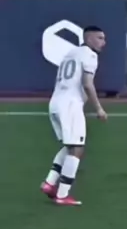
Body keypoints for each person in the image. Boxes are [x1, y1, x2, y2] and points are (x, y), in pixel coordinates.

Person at [41, 26, 107, 206]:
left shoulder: (71, 53)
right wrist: (98, 108)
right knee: (77, 148)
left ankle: (49, 182)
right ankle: (62, 195)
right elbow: (87, 84)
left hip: (55, 103)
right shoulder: (90, 55)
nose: (103, 42)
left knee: (70, 145)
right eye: (100, 38)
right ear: (89, 38)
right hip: (70, 105)